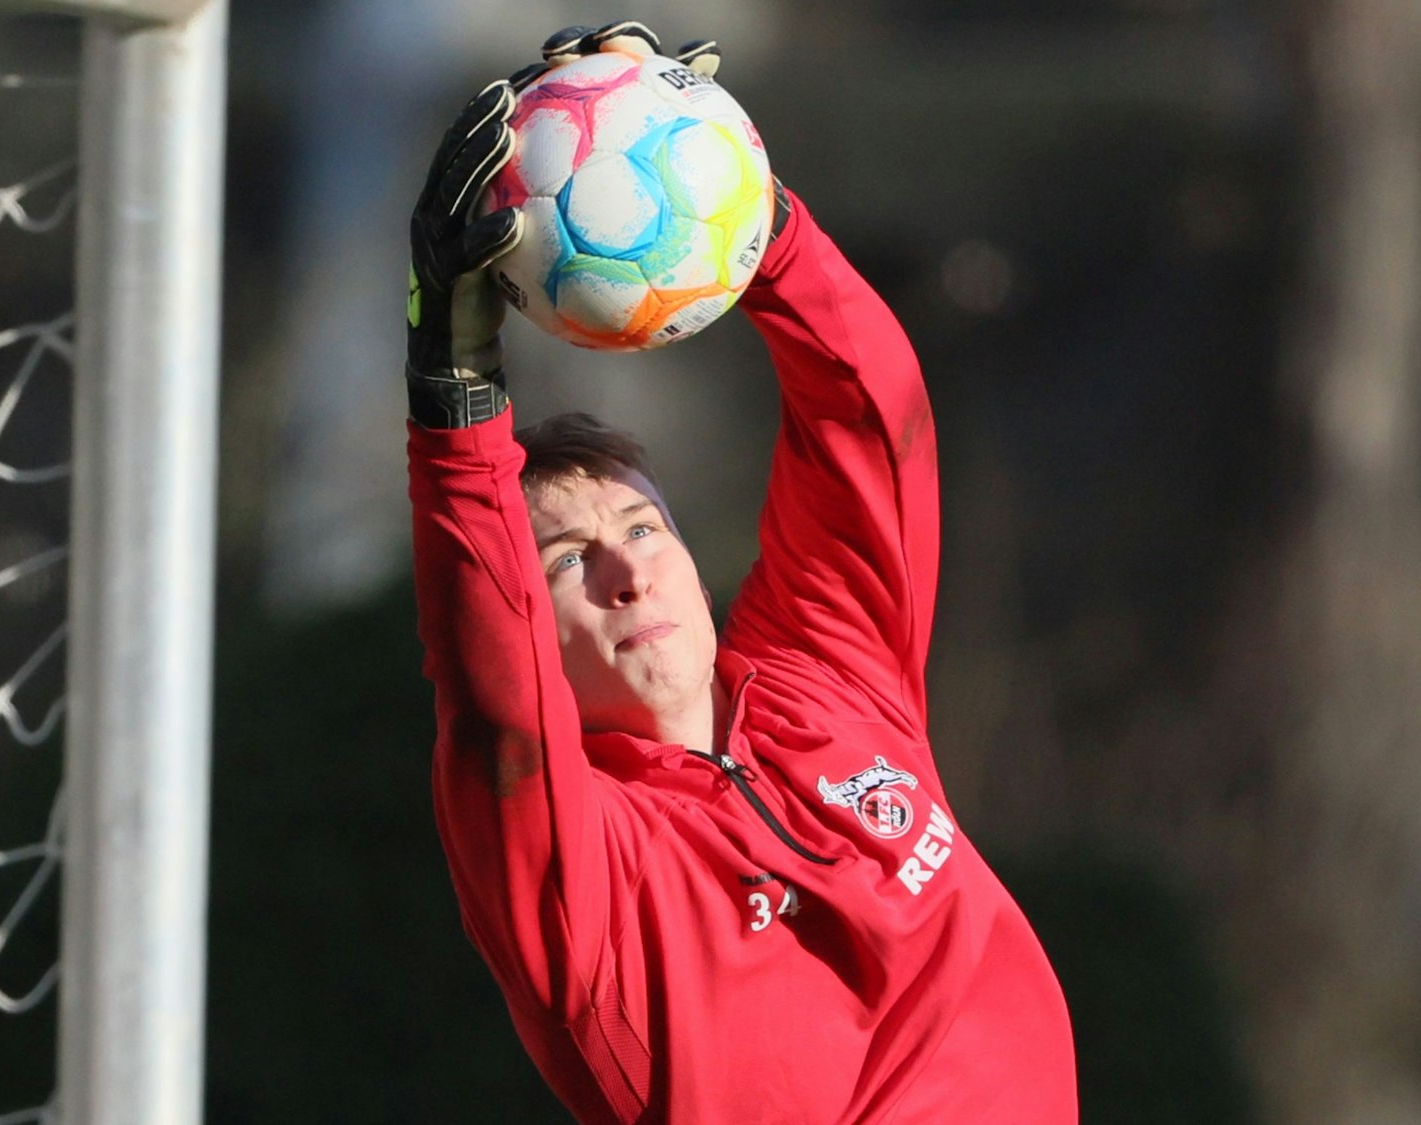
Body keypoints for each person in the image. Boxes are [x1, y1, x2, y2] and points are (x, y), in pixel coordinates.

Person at [405, 21, 1075, 1123]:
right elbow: (493, 705)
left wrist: (729, 198)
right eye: (569, 561)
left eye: (644, 529)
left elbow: (869, 421)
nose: (626, 570)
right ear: (532, 628)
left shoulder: (827, 685)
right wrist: (453, 385)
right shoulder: (586, 870)